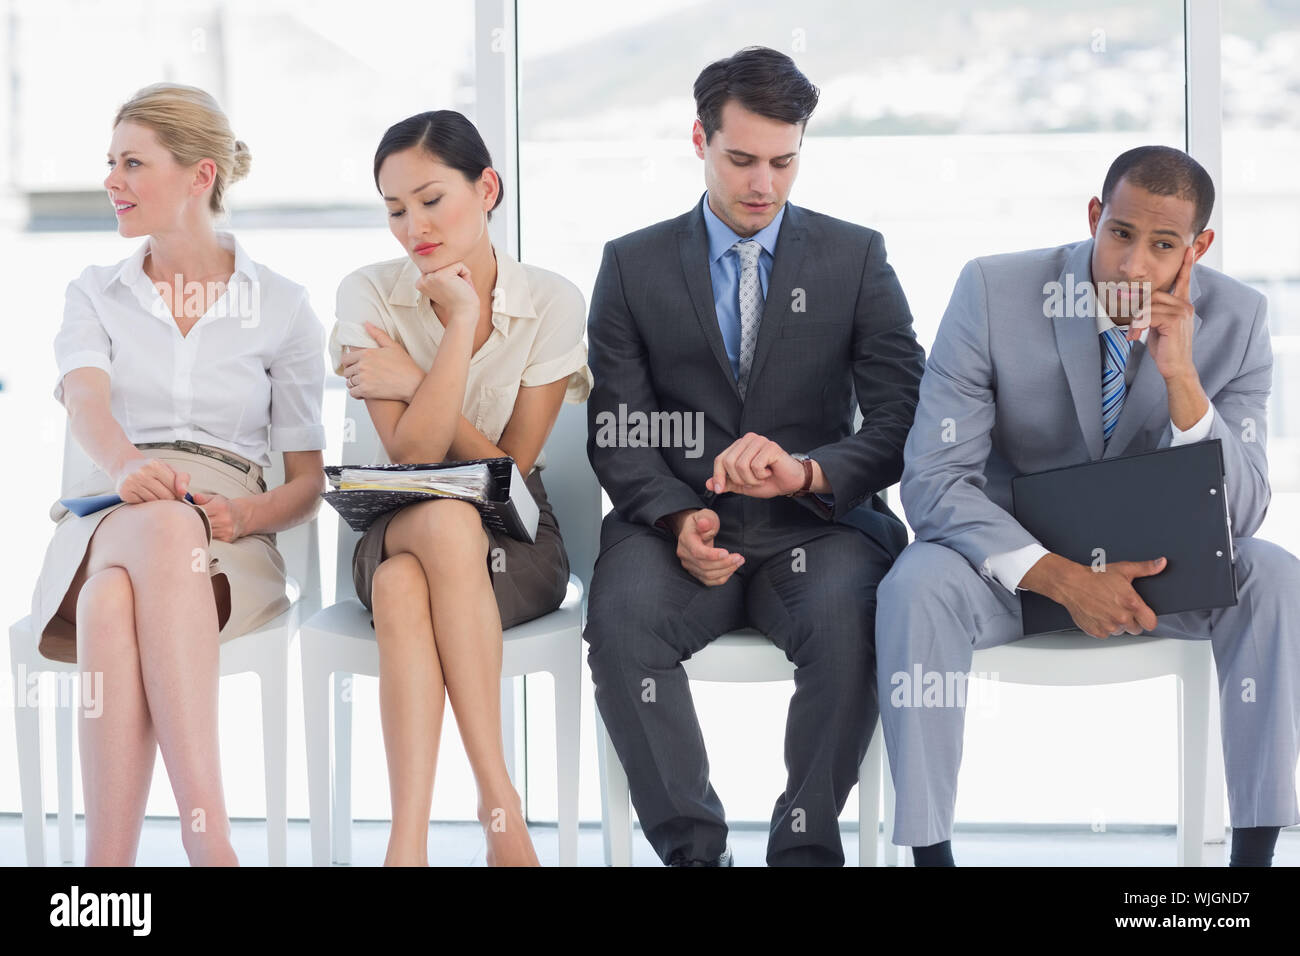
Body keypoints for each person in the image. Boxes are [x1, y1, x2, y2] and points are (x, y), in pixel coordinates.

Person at [877, 145, 1300, 867]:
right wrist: (1062, 577)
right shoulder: (992, 291)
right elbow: (934, 480)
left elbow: (1244, 515)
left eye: (1163, 245)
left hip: (1158, 577)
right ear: (1096, 217)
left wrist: (1182, 380)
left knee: (1274, 576)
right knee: (914, 584)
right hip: (1012, 580)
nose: (1133, 264)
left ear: (1196, 249)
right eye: (1122, 233)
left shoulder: (1238, 318)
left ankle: (1252, 866)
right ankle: (930, 856)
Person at [583, 46, 926, 867]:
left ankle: (803, 851)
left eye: (783, 161)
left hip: (818, 526)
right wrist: (677, 513)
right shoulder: (632, 265)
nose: (762, 185)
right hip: (674, 526)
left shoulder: (855, 257)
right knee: (621, 624)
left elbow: (904, 415)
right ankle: (696, 855)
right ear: (699, 140)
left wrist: (811, 472)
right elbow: (616, 426)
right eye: (740, 160)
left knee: (853, 623)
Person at [30, 83, 327, 866]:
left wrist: (248, 517)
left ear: (200, 176)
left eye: (133, 162)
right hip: (110, 508)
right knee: (155, 529)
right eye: (110, 162)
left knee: (110, 603)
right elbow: (86, 400)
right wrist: (128, 466)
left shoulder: (284, 307)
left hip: (228, 537)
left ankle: (104, 879)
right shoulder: (93, 292)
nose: (112, 180)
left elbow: (306, 481)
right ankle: (213, 848)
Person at [327, 110, 591, 867]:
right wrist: (455, 329)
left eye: (432, 199)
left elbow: (508, 471)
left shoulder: (552, 300)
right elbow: (409, 452)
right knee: (438, 525)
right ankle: (499, 805)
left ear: (488, 187)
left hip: (516, 534)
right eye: (395, 210)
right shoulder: (368, 293)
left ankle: (405, 848)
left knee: (415, 580)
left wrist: (417, 375)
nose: (414, 227)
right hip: (395, 522)